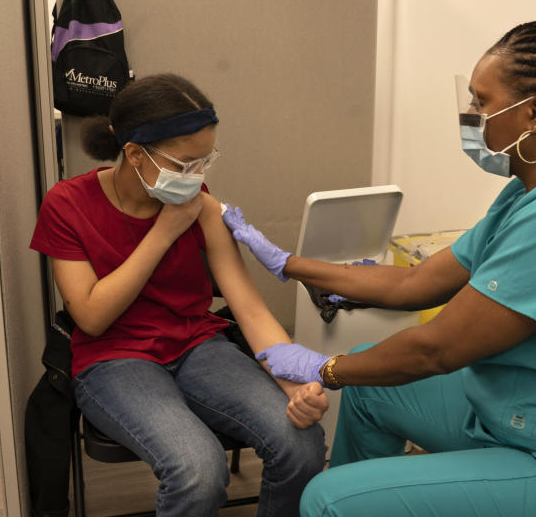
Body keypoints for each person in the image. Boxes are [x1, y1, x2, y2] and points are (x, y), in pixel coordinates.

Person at [222, 20, 536, 517]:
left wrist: (324, 367)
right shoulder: (532, 189)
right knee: (369, 393)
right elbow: (416, 281)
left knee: (327, 498)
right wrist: (289, 262)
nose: (471, 116)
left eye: (481, 101)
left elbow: (436, 348)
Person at [29, 73, 328, 517]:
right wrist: (163, 233)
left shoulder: (200, 203)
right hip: (113, 358)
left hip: (198, 346)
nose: (198, 175)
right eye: (186, 164)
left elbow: (247, 307)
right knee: (198, 469)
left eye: (206, 161)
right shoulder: (67, 204)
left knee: (302, 443)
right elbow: (91, 317)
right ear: (134, 154)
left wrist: (294, 382)